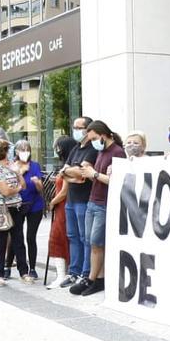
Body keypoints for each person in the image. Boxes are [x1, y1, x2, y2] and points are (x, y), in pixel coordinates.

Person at [71, 120, 126, 296]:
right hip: (93, 200)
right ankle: (97, 278)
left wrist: (93, 173)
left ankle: (92, 278)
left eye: (94, 138)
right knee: (91, 241)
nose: (93, 142)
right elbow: (99, 175)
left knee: (96, 242)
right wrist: (90, 171)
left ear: (102, 135)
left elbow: (117, 180)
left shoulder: (117, 152)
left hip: (104, 203)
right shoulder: (102, 152)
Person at [60, 116, 98, 287]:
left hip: (84, 199)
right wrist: (71, 173)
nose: (75, 130)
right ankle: (74, 271)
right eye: (74, 126)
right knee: (73, 236)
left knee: (85, 237)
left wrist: (71, 172)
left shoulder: (92, 149)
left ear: (88, 129)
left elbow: (81, 173)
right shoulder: (76, 148)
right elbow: (64, 171)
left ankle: (86, 272)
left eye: (79, 127)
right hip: (71, 199)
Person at [0, 139, 22, 285]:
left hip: (15, 206)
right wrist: (18, 188)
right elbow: (6, 191)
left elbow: (22, 183)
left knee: (18, 239)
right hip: (0, 208)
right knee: (0, 240)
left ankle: (24, 271)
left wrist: (17, 174)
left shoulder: (11, 166)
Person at [11, 139, 44, 283]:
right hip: (17, 205)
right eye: (22, 149)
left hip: (35, 205)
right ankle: (18, 267)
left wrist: (37, 183)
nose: (25, 152)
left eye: (27, 149)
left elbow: (40, 189)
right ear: (16, 152)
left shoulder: (35, 165)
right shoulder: (12, 166)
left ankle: (33, 268)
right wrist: (20, 172)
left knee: (31, 237)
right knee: (17, 237)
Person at [46, 136, 74, 283]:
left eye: (57, 147)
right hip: (62, 206)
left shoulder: (69, 166)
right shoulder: (65, 165)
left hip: (63, 206)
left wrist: (52, 202)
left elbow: (64, 191)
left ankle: (62, 275)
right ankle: (63, 272)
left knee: (58, 238)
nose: (56, 151)